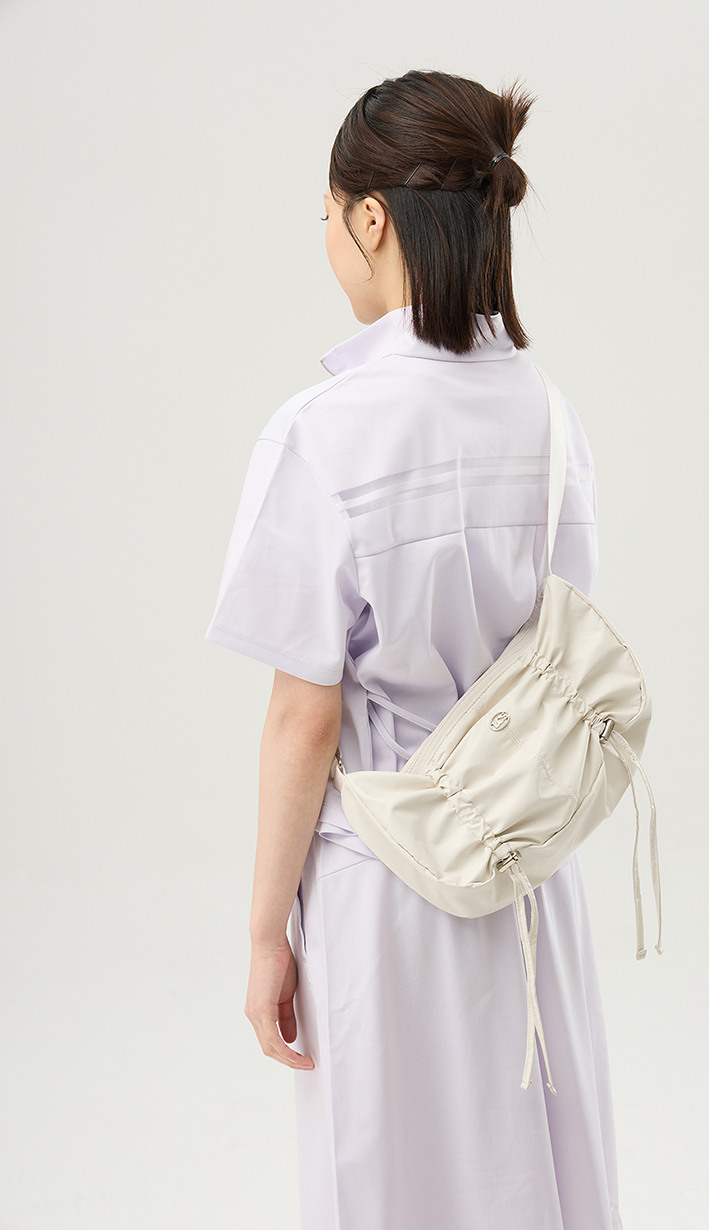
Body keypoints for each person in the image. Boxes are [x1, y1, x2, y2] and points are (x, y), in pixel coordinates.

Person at [205, 68, 624, 1230]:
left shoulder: (323, 433)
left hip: (380, 884)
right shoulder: (548, 417)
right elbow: (552, 648)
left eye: (326, 214)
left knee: (388, 1191)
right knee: (534, 1178)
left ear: (372, 219)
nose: (325, 240)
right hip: (526, 875)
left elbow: (304, 718)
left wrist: (263, 937)